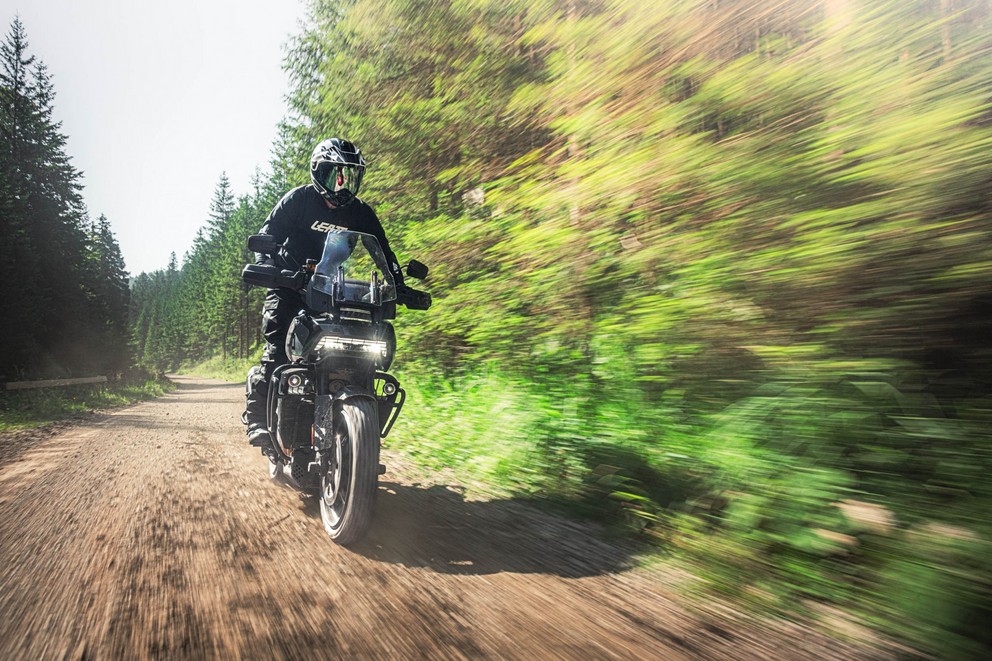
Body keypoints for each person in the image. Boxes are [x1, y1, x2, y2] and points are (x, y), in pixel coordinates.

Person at [243, 138, 405, 458]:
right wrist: (270, 270)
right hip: (288, 288)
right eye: (335, 174)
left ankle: (351, 434)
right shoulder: (299, 200)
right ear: (319, 171)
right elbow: (268, 237)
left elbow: (385, 253)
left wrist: (398, 284)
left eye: (350, 175)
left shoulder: (360, 213)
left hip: (331, 293)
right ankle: (258, 421)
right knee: (278, 349)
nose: (342, 183)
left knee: (360, 353)